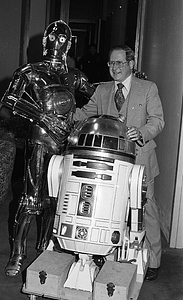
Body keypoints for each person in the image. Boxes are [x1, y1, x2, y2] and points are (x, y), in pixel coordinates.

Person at [0, 19, 95, 277]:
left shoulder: (74, 76)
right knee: (31, 199)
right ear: (45, 41)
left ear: (70, 44)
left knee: (57, 199)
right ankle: (18, 253)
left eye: (63, 39)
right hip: (40, 139)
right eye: (53, 37)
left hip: (65, 144)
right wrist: (41, 116)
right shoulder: (31, 71)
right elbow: (9, 99)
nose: (57, 43)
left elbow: (96, 95)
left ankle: (46, 248)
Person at [73, 44, 165, 281]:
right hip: (112, 161)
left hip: (141, 160)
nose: (115, 68)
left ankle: (153, 260)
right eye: (111, 63)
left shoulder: (147, 88)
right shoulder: (102, 90)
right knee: (111, 206)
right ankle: (111, 254)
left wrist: (142, 132)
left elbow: (158, 120)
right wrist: (62, 110)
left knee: (146, 209)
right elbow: (85, 113)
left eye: (119, 63)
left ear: (131, 64)